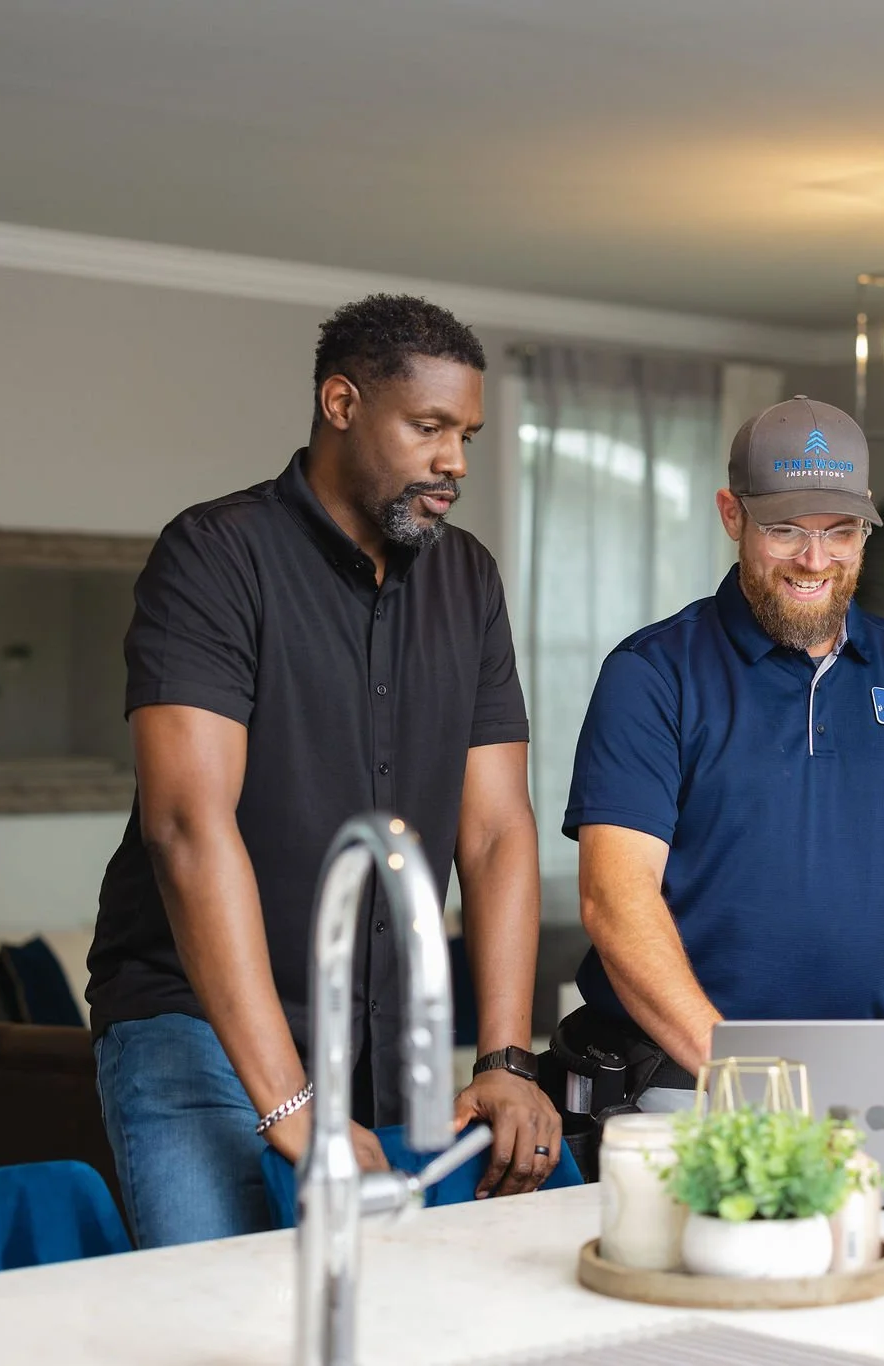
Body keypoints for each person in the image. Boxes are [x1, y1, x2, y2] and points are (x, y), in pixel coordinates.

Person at [87, 294, 559, 1249]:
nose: (455, 462)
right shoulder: (215, 555)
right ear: (341, 403)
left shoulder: (468, 581)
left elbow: (498, 829)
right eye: (428, 427)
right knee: (223, 1323)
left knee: (389, 1320)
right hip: (200, 1036)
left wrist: (505, 1056)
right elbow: (187, 828)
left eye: (465, 433)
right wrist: (287, 1097)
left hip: (382, 1043)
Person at [552, 396, 884, 1126]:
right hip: (680, 1085)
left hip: (863, 1089)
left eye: (841, 532)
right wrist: (740, 1078)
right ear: (731, 515)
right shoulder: (652, 674)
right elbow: (616, 899)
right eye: (786, 530)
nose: (815, 559)